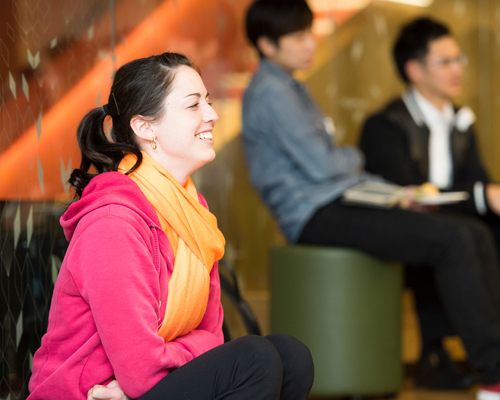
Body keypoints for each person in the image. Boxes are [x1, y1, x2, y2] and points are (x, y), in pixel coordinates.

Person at [242, 1, 500, 399]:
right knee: (453, 239)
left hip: (336, 200)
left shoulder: (290, 86)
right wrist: (353, 156)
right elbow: (322, 165)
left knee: (472, 232)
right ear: (267, 44)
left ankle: (490, 365)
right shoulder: (272, 92)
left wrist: (394, 195)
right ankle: (493, 374)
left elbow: (333, 169)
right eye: (298, 37)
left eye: (309, 33)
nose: (310, 44)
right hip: (313, 214)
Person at [27, 52, 314, 400]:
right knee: (255, 359)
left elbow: (212, 335)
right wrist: (179, 359)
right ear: (145, 127)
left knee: (291, 356)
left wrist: (173, 359)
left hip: (134, 389)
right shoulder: (113, 223)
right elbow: (143, 370)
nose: (212, 114)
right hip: (92, 395)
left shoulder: (191, 211)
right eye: (193, 105)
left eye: (207, 101)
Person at [358, 17, 500, 390]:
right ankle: (491, 368)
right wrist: (483, 196)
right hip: (401, 229)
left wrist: (484, 195)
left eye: (459, 60)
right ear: (414, 69)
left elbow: (476, 180)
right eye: (445, 61)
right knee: (462, 235)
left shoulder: (461, 122)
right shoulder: (384, 126)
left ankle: (469, 355)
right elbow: (408, 194)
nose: (457, 70)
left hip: (448, 226)